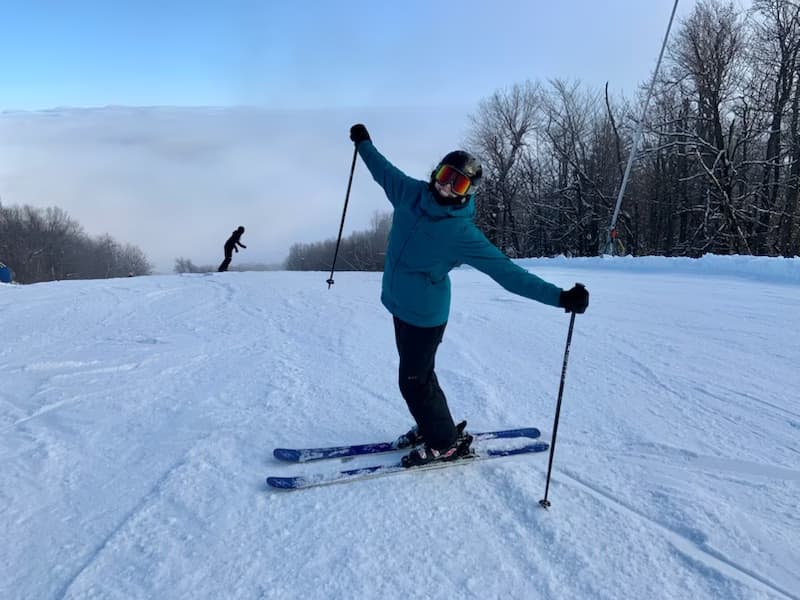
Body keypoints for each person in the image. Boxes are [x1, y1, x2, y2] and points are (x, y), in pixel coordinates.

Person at [348, 123, 589, 468]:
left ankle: (445, 442)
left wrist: (560, 297)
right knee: (420, 374)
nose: (447, 186)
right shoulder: (408, 193)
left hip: (425, 315)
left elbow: (508, 274)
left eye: (458, 183)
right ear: (436, 173)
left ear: (468, 192)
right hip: (399, 306)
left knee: (413, 381)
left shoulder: (461, 232)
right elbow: (381, 169)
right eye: (446, 175)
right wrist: (364, 143)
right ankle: (432, 424)